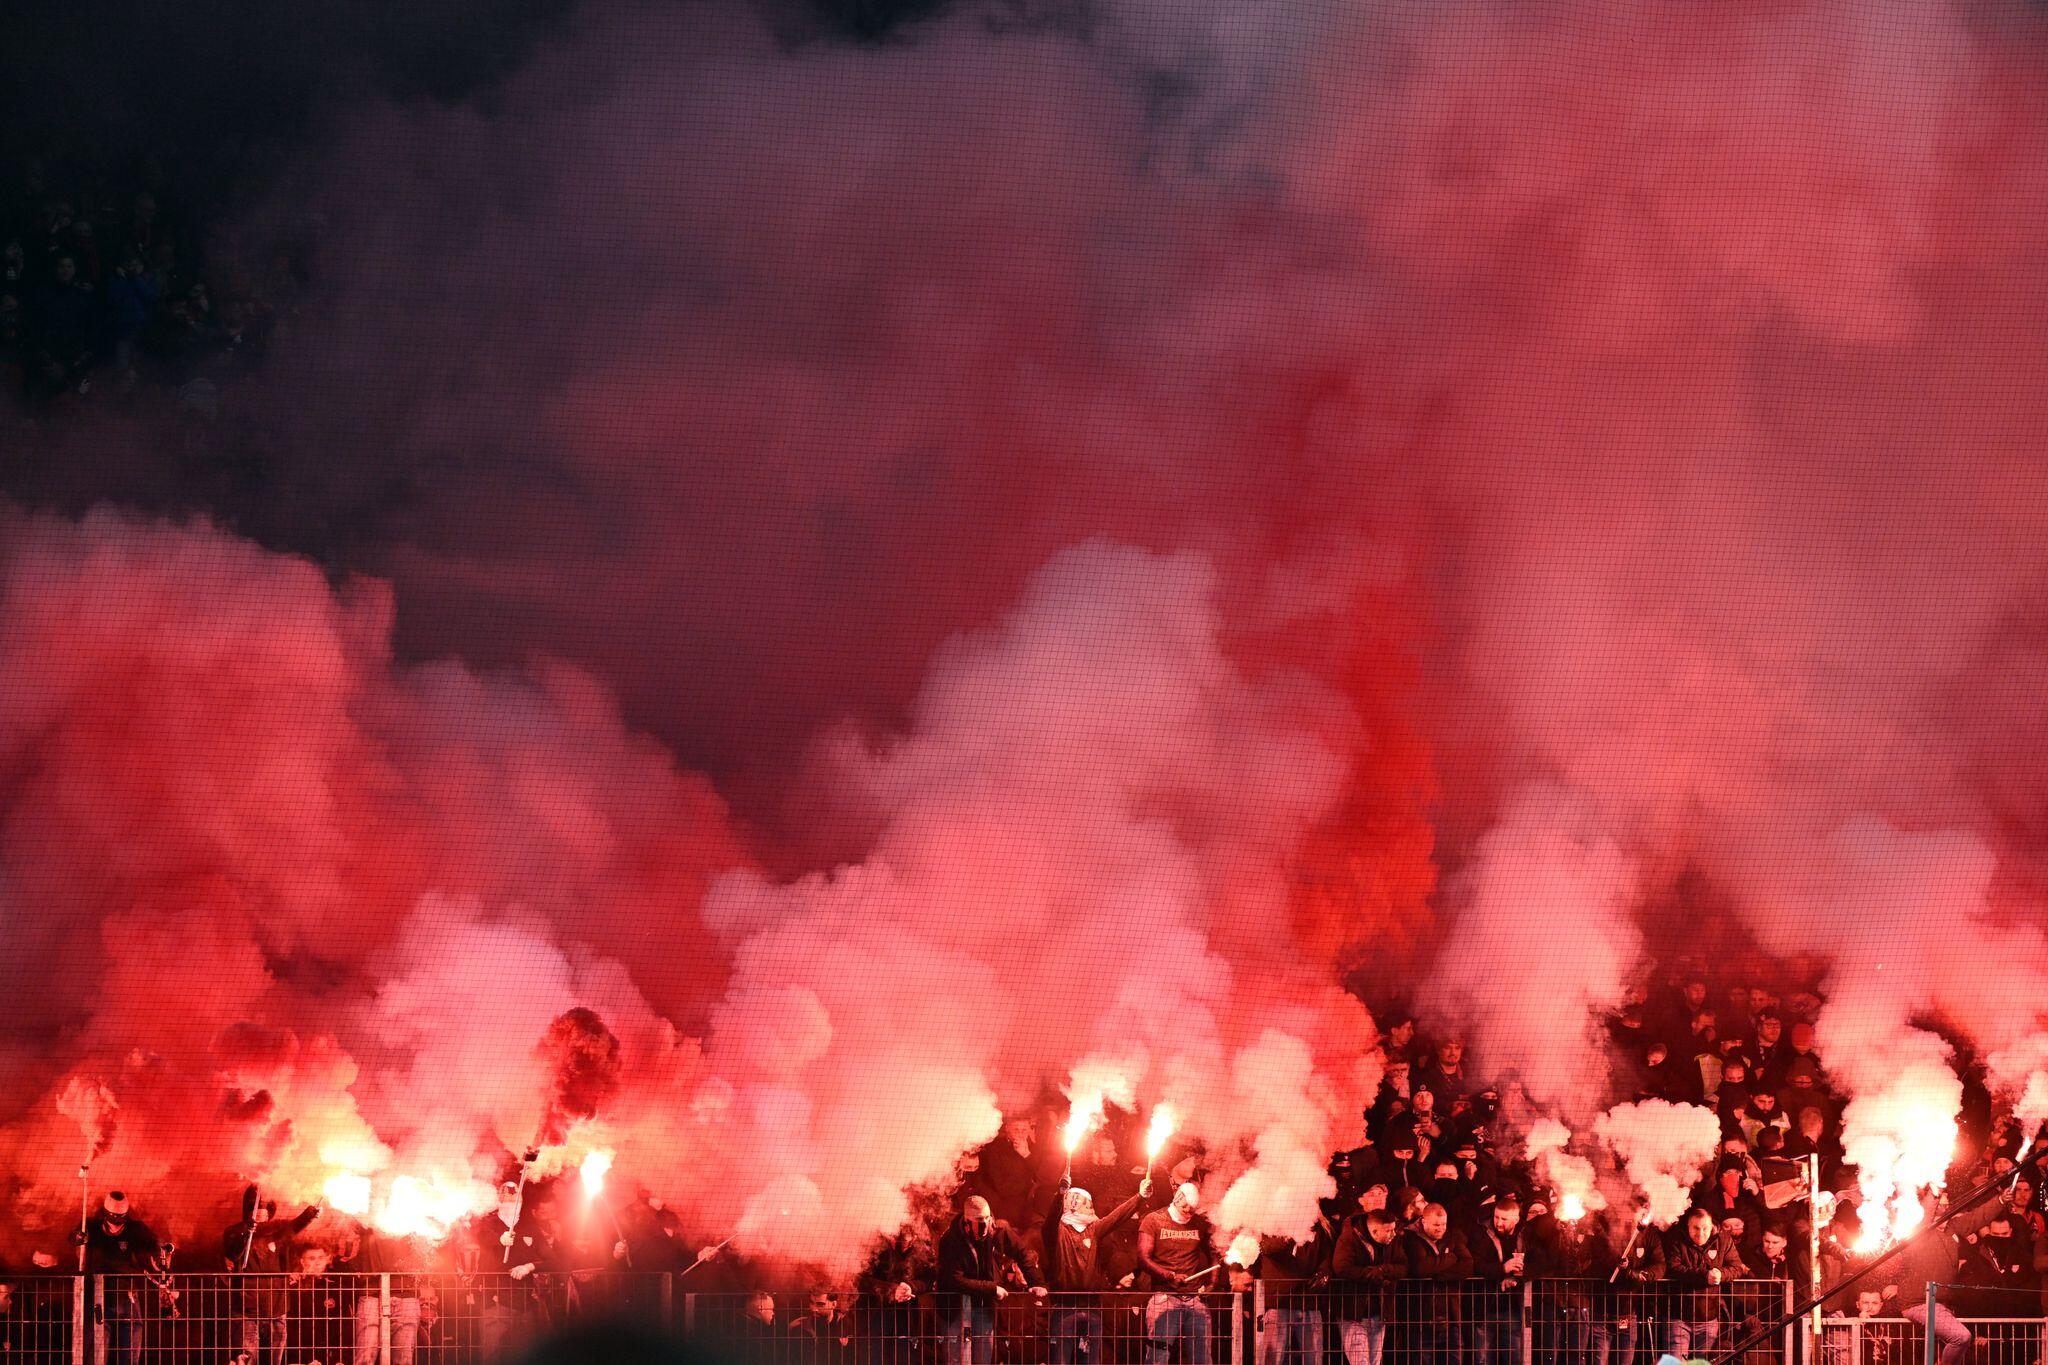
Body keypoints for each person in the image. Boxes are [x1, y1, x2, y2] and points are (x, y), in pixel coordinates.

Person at [1042, 1174, 1152, 1365]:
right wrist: (1059, 1195)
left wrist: (1140, 1197)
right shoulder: (1058, 1232)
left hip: (1091, 1309)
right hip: (1064, 1308)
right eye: (1087, 1204)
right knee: (1060, 1360)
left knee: (1089, 1361)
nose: (1091, 1208)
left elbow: (1116, 1217)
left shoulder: (1093, 1230)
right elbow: (1050, 1222)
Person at [937, 1195, 1043, 1365]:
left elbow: (1022, 1252)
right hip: (957, 1306)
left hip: (984, 1304)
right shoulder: (950, 1241)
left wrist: (1036, 1282)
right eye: (980, 1220)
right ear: (967, 1221)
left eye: (988, 1217)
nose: (985, 1223)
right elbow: (955, 1280)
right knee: (959, 1359)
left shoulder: (998, 1230)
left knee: (983, 1357)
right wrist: (992, 1289)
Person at [223, 1185, 323, 1365]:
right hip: (247, 1310)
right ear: (248, 1208)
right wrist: (246, 1233)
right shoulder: (234, 1232)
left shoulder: (277, 1231)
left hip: (277, 1308)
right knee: (247, 1359)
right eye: (258, 1207)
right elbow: (233, 1253)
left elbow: (294, 1226)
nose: (262, 1212)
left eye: (266, 1208)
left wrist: (309, 1214)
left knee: (274, 1360)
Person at [1881, 1196, 1968, 1365]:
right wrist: (1934, 1193)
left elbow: (1977, 1217)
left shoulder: (1945, 1236)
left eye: (1946, 1205)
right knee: (1960, 1336)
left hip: (1937, 1303)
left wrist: (2001, 1199)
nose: (1944, 1210)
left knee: (1945, 1346)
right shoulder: (1915, 1232)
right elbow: (1926, 1215)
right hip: (1919, 1303)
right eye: (1940, 1205)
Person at [79, 1192, 162, 1365]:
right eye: (113, 1219)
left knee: (129, 1351)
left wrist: (158, 1259)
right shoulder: (91, 1227)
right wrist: (78, 1237)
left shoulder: (135, 1229)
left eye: (120, 1219)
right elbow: (73, 1236)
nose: (116, 1225)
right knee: (97, 1351)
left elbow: (154, 1246)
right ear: (105, 1214)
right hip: (98, 1295)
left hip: (127, 1293)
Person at [1138, 1183, 1216, 1365]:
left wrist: (1212, 1284)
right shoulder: (1153, 1220)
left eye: (1192, 1209)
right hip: (1164, 1298)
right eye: (1185, 1207)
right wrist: (1170, 1275)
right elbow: (1142, 1258)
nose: (1188, 1212)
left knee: (1202, 1357)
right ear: (1177, 1199)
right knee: (1158, 1357)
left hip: (1195, 1299)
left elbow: (1214, 1253)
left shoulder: (1199, 1222)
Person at [1662, 1206, 1744, 1357]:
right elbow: (1673, 1268)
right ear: (1688, 1226)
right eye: (1696, 1228)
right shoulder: (1676, 1238)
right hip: (1678, 1317)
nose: (1700, 1233)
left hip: (1709, 1317)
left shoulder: (1723, 1239)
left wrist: (1721, 1274)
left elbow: (1737, 1268)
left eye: (1705, 1228)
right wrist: (1705, 1276)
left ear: (1712, 1225)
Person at [1332, 1204, 1405, 1365]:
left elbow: (1403, 1266)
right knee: (1361, 1362)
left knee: (1374, 1361)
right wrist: (1370, 1274)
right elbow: (1341, 1267)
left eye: (1393, 1229)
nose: (1393, 1234)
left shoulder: (1393, 1241)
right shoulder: (1349, 1238)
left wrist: (1383, 1270)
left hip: (1379, 1313)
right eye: (1388, 1231)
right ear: (1374, 1231)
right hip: (1353, 1314)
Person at [1401, 1203, 1473, 1365]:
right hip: (1421, 1316)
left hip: (1451, 1314)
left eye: (1443, 1224)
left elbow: (1468, 1266)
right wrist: (1451, 1258)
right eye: (1436, 1225)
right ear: (1423, 1221)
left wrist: (1437, 1275)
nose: (1440, 1229)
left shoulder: (1453, 1236)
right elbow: (1420, 1268)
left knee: (1454, 1359)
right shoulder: (1410, 1238)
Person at [1466, 1195, 1526, 1365]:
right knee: (1482, 1360)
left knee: (1513, 1359)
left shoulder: (1524, 1235)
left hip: (1512, 1308)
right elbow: (1475, 1264)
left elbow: (1538, 1263)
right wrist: (1503, 1269)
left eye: (1504, 1219)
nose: (1498, 1222)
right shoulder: (1481, 1232)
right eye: (1496, 1217)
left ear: (1516, 1219)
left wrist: (1516, 1277)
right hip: (1485, 1308)